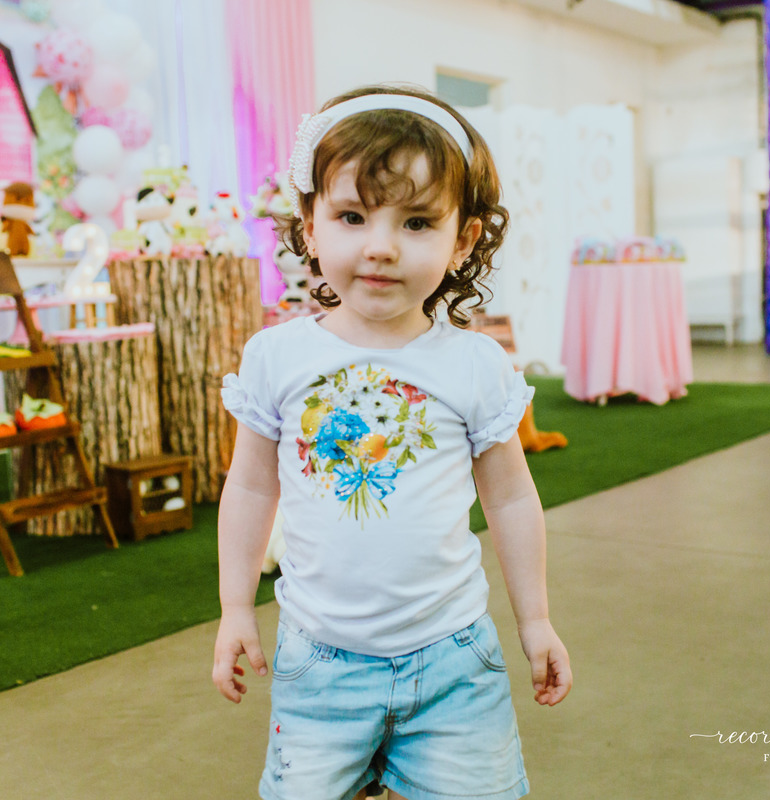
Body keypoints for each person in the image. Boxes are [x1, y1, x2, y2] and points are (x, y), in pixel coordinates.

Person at [212, 84, 572, 800]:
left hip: (453, 665)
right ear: (310, 226)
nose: (379, 247)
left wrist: (536, 620)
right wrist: (232, 609)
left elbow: (509, 499)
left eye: (415, 222)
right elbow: (252, 485)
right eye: (351, 216)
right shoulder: (276, 359)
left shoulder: (475, 366)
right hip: (317, 666)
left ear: (462, 239)